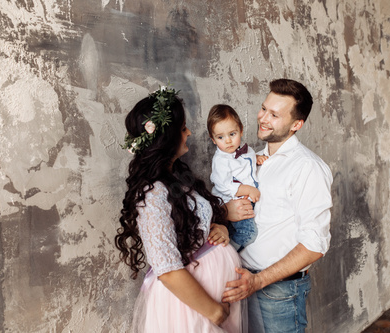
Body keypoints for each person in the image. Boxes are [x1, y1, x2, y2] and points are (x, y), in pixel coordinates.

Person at [115, 87, 247, 333]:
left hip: (212, 297)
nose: (188, 133)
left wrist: (218, 228)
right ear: (168, 137)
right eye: (183, 128)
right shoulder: (152, 193)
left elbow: (191, 225)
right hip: (191, 308)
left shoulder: (176, 176)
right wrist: (213, 311)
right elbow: (167, 269)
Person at [221, 79, 333, 333]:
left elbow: (315, 245)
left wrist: (259, 280)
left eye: (274, 115)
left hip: (278, 293)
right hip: (242, 281)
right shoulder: (250, 160)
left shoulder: (308, 168)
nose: (263, 118)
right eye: (263, 109)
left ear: (296, 125)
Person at [207, 104, 267, 252]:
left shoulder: (245, 150)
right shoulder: (221, 160)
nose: (227, 141)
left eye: (232, 134)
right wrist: (247, 189)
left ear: (241, 130)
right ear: (213, 139)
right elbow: (223, 184)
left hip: (245, 199)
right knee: (248, 234)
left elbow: (245, 162)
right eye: (220, 137)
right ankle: (228, 254)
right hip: (232, 201)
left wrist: (256, 158)